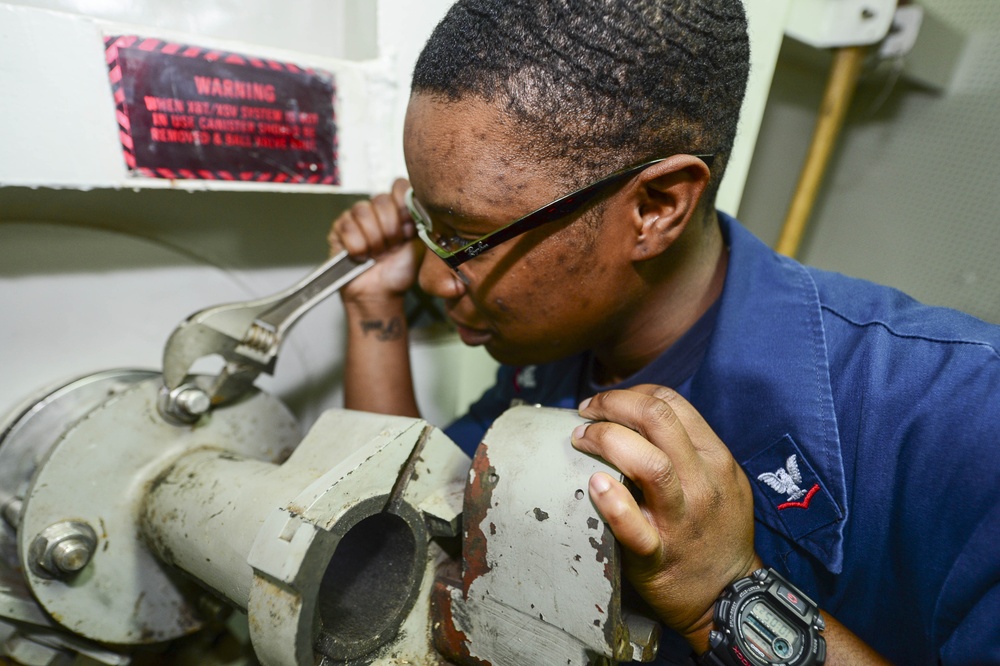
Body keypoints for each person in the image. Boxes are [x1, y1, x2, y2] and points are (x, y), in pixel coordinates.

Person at [327, 0, 1000, 663]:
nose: (435, 280)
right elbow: (414, 519)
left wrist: (726, 599)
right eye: (427, 224)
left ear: (656, 207)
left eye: (468, 239)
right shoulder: (560, 352)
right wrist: (372, 307)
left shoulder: (960, 417)